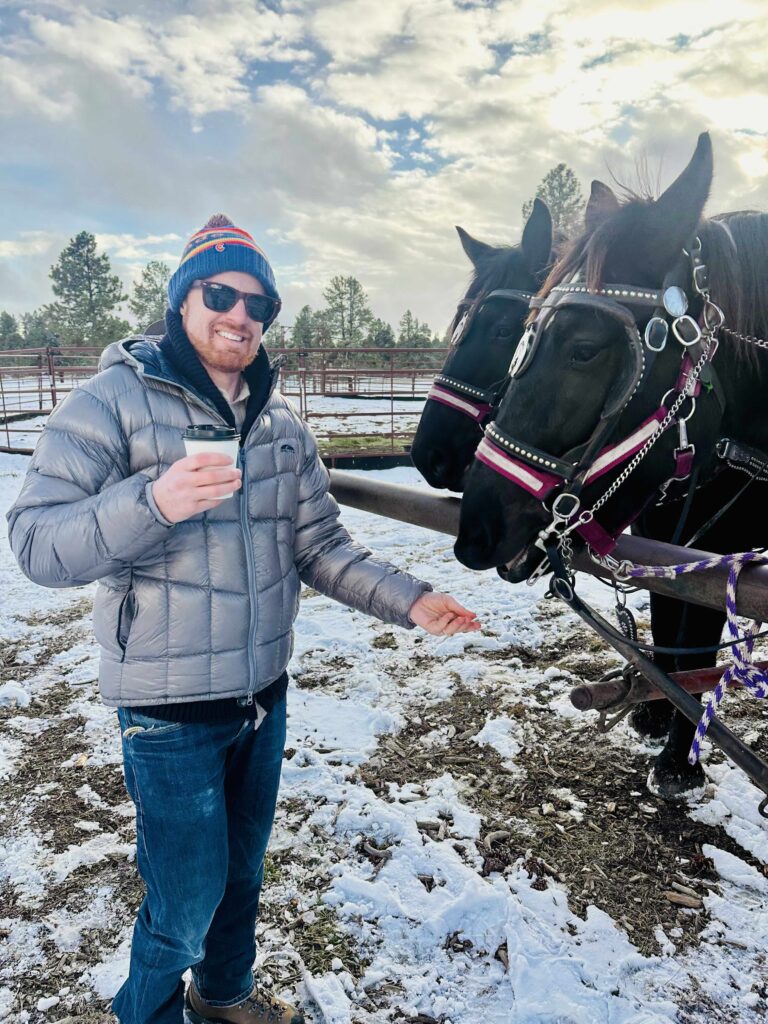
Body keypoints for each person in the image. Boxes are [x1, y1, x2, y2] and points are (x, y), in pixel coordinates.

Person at [7, 215, 480, 1024]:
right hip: (168, 709)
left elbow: (321, 546)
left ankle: (224, 997)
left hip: (261, 695)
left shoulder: (280, 425)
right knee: (183, 904)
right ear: (181, 302)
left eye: (259, 303)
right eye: (220, 294)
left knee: (241, 876)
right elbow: (36, 544)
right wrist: (153, 501)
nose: (240, 315)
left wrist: (410, 599)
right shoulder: (111, 402)